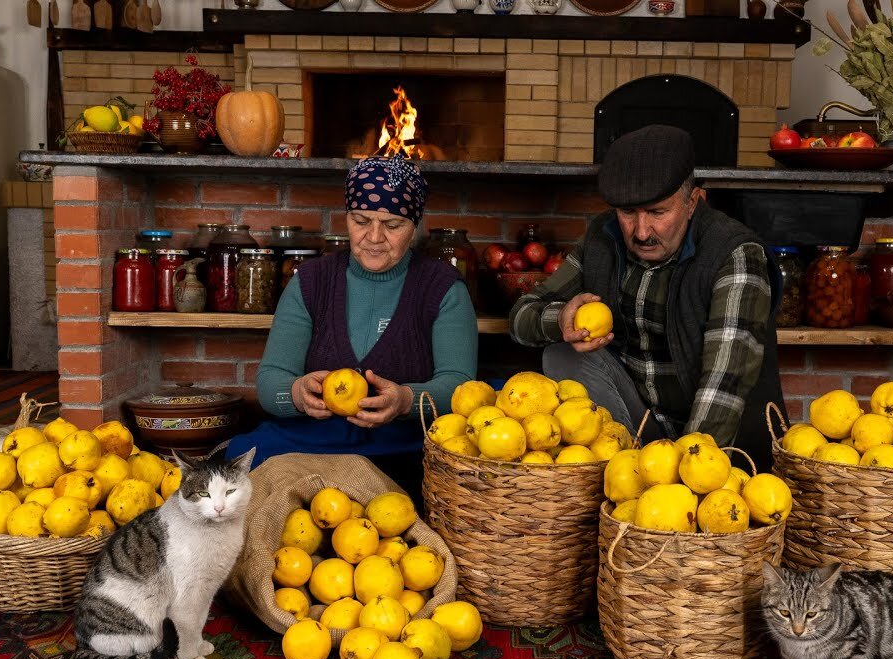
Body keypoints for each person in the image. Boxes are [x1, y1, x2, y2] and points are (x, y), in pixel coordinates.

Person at [508, 124, 785, 471]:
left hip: (721, 449)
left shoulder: (734, 254)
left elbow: (723, 389)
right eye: (627, 213)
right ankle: (613, 473)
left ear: (693, 202)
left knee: (706, 442)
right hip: (637, 427)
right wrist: (561, 319)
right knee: (562, 353)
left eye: (657, 213)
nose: (640, 232)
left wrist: (682, 477)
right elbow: (521, 318)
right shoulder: (602, 238)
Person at [225, 155, 478, 489]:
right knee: (241, 454)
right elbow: (271, 380)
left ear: (414, 227)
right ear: (346, 218)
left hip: (403, 444)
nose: (374, 237)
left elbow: (460, 386)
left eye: (392, 225)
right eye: (361, 221)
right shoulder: (311, 282)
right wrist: (299, 394)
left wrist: (404, 400)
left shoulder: (442, 287)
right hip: (314, 442)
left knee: (448, 471)